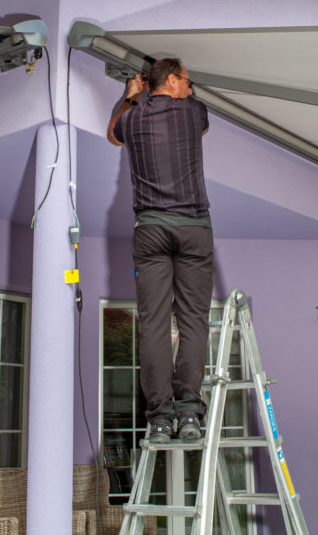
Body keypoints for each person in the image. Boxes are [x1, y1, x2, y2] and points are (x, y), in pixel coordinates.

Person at [107, 58, 213, 443]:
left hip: (150, 227)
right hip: (193, 228)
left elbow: (113, 136)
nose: (189, 86)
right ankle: (188, 412)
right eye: (186, 80)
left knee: (153, 323)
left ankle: (159, 419)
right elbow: (199, 125)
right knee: (192, 320)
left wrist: (130, 96)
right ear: (171, 80)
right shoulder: (192, 112)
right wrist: (174, 93)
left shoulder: (131, 118)